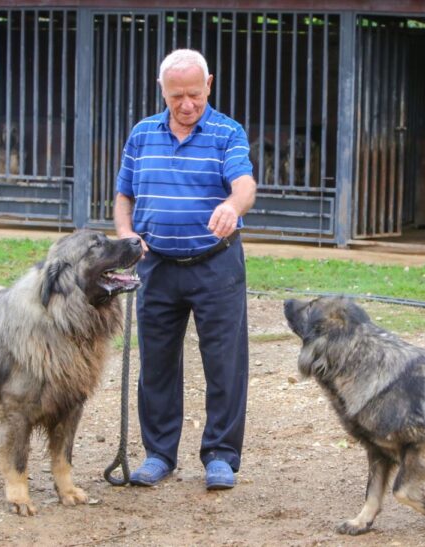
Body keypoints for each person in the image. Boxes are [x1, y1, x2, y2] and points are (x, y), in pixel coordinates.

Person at [113, 49, 257, 490]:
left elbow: (245, 185)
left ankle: (220, 456)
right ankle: (158, 454)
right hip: (156, 266)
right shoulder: (141, 135)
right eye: (177, 96)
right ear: (163, 91)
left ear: (209, 84)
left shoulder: (227, 133)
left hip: (216, 265)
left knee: (224, 363)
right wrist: (126, 236)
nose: (187, 103)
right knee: (155, 364)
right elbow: (124, 196)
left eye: (195, 93)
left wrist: (232, 206)